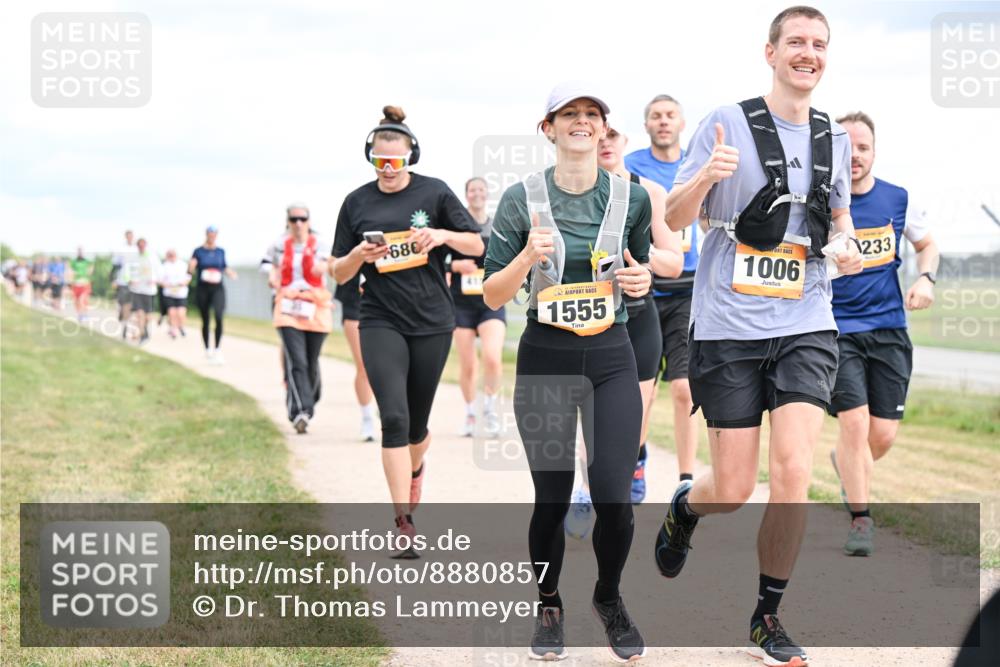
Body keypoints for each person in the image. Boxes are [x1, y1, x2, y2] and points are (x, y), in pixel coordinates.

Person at [653, 7, 863, 666]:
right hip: (728, 327)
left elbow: (839, 218)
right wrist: (707, 177)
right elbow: (677, 214)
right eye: (796, 42)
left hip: (807, 321)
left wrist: (848, 243)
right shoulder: (725, 121)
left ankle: (767, 615)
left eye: (819, 44)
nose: (809, 53)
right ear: (769, 52)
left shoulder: (836, 137)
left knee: (795, 470)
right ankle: (688, 507)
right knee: (735, 487)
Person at [484, 84, 653, 662]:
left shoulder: (631, 199)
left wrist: (641, 283)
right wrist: (528, 258)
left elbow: (639, 271)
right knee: (552, 498)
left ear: (604, 129)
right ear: (548, 128)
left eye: (592, 115)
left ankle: (608, 596)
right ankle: (550, 602)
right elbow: (490, 294)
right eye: (569, 115)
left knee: (615, 498)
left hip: (610, 357)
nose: (582, 122)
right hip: (546, 358)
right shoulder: (518, 199)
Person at [331, 105, 483, 554]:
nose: (389, 170)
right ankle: (402, 521)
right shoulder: (356, 202)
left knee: (417, 428)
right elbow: (338, 272)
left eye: (397, 161)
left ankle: (416, 471)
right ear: (371, 158)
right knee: (393, 419)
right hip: (379, 318)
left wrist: (441, 236)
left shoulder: (434, 192)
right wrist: (359, 255)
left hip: (433, 322)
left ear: (411, 157)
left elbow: (476, 241)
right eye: (381, 162)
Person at [828, 111, 939, 557]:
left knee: (883, 435)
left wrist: (926, 278)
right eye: (846, 147)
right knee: (853, 423)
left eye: (863, 147)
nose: (854, 156)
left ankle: (847, 465)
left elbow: (927, 244)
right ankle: (861, 519)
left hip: (890, 328)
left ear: (874, 151)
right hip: (838, 331)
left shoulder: (897, 198)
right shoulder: (823, 205)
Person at [566, 126, 685, 537]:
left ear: (624, 141)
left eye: (612, 134)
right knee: (591, 414)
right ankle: (585, 491)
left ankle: (632, 462)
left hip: (636, 317)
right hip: (588, 316)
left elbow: (675, 260)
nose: (605, 142)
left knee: (632, 415)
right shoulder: (567, 190)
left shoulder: (648, 193)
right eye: (598, 134)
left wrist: (643, 265)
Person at [625, 94, 703, 485]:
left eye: (670, 115)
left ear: (682, 122)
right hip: (645, 286)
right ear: (646, 125)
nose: (663, 121)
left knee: (685, 390)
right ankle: (637, 457)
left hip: (688, 287)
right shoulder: (631, 167)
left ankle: (686, 476)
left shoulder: (697, 164)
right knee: (644, 393)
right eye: (655, 116)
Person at [450, 176, 507, 437]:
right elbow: (438, 259)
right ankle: (471, 412)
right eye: (472, 190)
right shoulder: (456, 224)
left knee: (493, 359)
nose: (477, 194)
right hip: (460, 302)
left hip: (490, 302)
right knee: (469, 365)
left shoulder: (497, 225)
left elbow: (508, 259)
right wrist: (455, 266)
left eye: (481, 189)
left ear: (487, 194)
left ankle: (489, 409)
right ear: (466, 194)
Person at [335, 275, 377, 441]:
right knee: (364, 366)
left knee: (392, 366)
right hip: (355, 305)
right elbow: (336, 269)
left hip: (389, 304)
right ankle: (367, 417)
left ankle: (389, 406)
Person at [190, 226, 237, 363]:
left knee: (218, 315)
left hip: (217, 288)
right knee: (205, 319)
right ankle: (207, 349)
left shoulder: (220, 251)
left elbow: (224, 266)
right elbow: (192, 265)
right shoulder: (198, 251)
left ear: (216, 235)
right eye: (210, 234)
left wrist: (231, 273)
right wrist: (191, 268)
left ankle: (217, 348)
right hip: (203, 288)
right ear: (206, 235)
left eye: (214, 234)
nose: (212, 236)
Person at [128, 238, 161, 344]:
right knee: (139, 313)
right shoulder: (133, 258)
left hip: (149, 291)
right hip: (137, 290)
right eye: (139, 245)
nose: (141, 247)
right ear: (137, 246)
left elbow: (159, 271)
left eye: (143, 245)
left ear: (146, 245)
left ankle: (145, 331)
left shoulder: (153, 257)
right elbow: (127, 271)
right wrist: (130, 280)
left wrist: (155, 280)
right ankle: (142, 334)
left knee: (148, 316)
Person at [160, 249, 191, 339]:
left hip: (181, 293)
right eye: (170, 255)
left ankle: (181, 326)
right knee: (172, 312)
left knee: (181, 313)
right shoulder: (165, 266)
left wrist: (184, 283)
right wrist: (164, 284)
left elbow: (188, 276)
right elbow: (160, 279)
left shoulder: (183, 265)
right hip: (169, 293)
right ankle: (173, 329)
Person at [112, 230, 138, 330]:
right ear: (126, 237)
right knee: (122, 302)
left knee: (130, 303)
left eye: (131, 236)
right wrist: (114, 279)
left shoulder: (137, 249)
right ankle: (121, 312)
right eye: (128, 236)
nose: (130, 238)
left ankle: (126, 323)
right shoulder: (120, 249)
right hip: (122, 280)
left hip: (135, 280)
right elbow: (115, 265)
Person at [68, 249, 93, 321]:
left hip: (85, 283)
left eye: (81, 252)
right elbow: (70, 269)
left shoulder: (86, 261)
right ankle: (80, 313)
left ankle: (83, 314)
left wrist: (89, 271)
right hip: (76, 284)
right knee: (76, 301)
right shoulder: (74, 262)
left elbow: (92, 266)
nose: (80, 254)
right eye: (79, 252)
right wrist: (71, 275)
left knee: (82, 299)